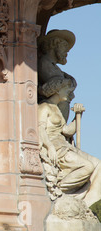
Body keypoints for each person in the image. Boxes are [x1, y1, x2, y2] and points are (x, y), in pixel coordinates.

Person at [38, 78, 101, 207]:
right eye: (66, 90)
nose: (69, 93)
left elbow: (67, 131)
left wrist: (78, 115)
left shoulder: (56, 108)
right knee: (87, 167)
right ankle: (59, 191)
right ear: (57, 91)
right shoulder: (44, 107)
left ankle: (87, 202)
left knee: (98, 165)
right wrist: (49, 146)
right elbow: (40, 129)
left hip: (64, 144)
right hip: (56, 146)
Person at [38, 29, 77, 121]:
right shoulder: (44, 63)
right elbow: (47, 88)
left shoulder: (55, 67)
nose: (67, 52)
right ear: (54, 45)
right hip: (51, 112)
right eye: (64, 46)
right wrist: (67, 82)